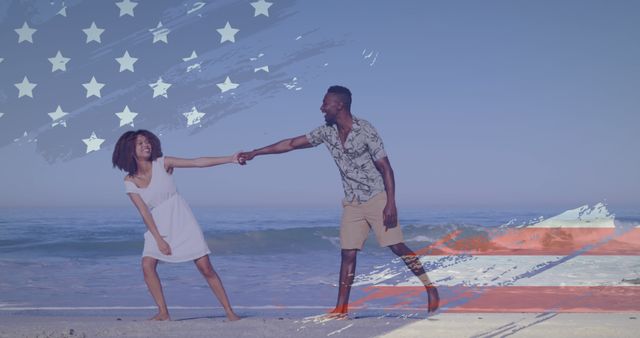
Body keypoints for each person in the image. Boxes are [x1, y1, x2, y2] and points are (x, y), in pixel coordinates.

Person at [238, 85, 439, 317]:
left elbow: (386, 168)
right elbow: (291, 144)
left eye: (325, 103)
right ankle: (341, 308)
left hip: (377, 198)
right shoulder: (327, 131)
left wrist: (391, 203)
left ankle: (429, 287)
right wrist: (255, 152)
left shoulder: (366, 130)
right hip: (352, 201)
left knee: (396, 247)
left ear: (339, 105)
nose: (321, 108)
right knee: (348, 253)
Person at [112, 129, 241, 321]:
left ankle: (230, 312)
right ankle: (163, 312)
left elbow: (197, 162)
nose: (146, 145)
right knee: (147, 264)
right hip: (157, 225)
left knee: (205, 267)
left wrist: (230, 158)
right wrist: (158, 239)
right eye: (140, 143)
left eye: (148, 141)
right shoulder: (129, 180)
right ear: (130, 150)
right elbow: (144, 212)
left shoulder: (163, 163)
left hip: (181, 219)